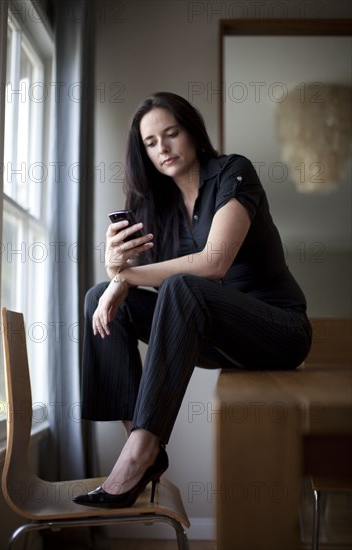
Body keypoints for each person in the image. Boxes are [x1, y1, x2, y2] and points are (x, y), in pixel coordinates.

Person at [73, 91, 312, 508]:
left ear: (193, 133)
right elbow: (127, 279)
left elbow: (214, 263)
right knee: (102, 297)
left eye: (171, 134)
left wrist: (123, 277)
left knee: (181, 286)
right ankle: (141, 447)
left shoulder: (233, 173)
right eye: (150, 142)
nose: (162, 148)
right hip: (213, 335)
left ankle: (138, 454)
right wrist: (113, 269)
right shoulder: (153, 204)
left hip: (279, 330)